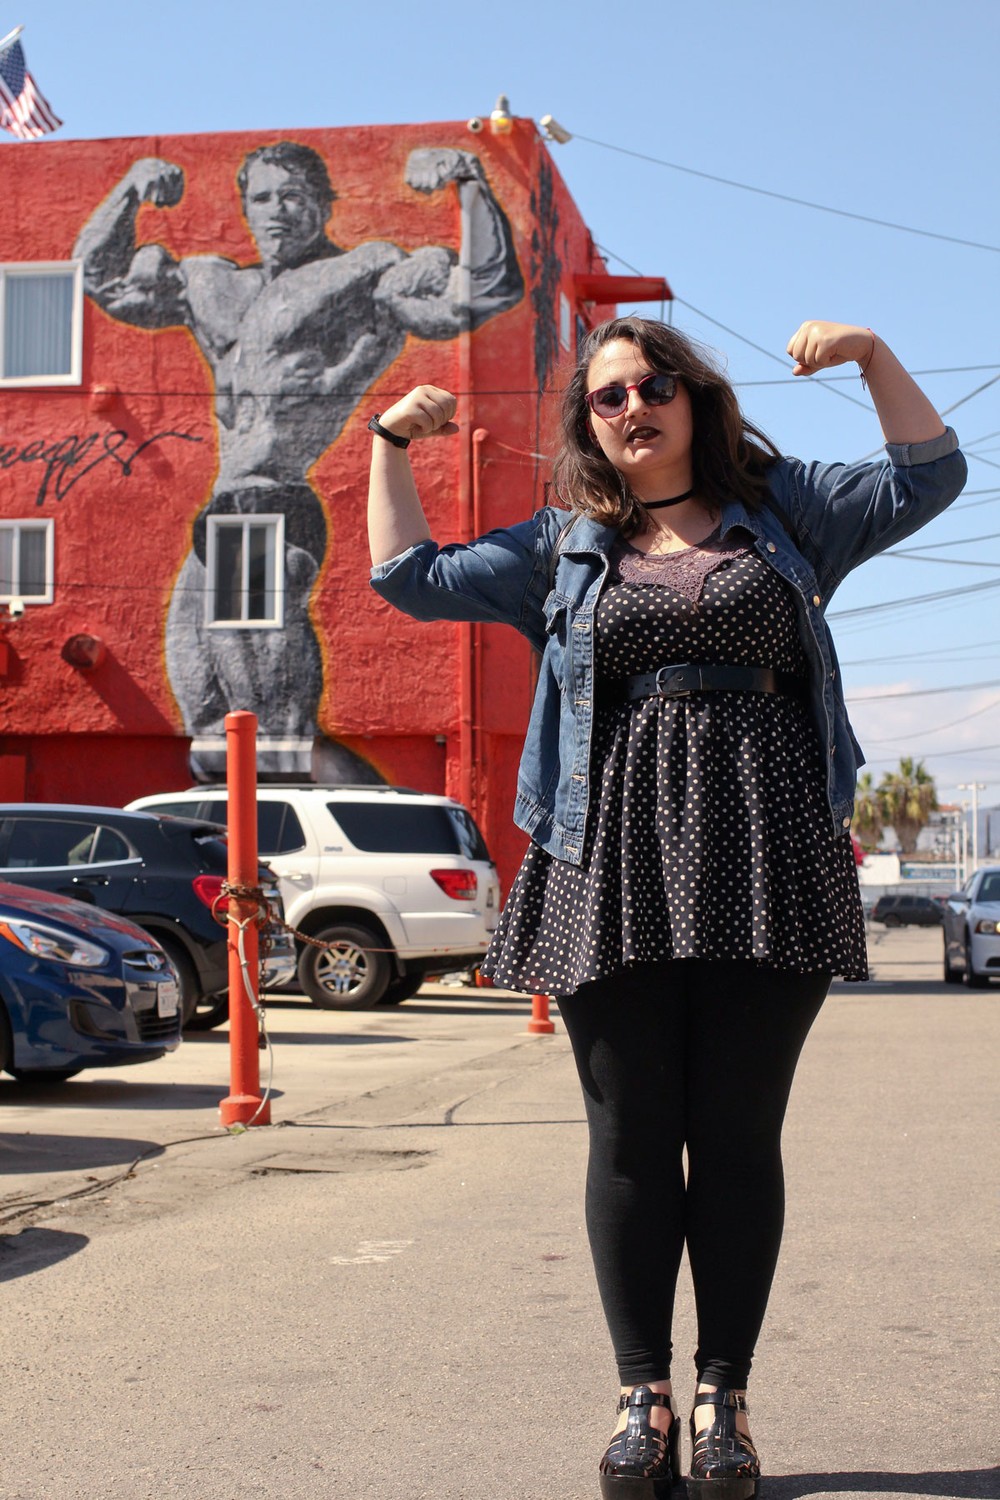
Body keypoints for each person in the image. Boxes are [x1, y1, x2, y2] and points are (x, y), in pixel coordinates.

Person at [365, 317, 967, 1499]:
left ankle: (724, 1400)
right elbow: (409, 579)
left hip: (767, 850)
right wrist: (390, 442)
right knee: (631, 1138)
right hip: (608, 856)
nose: (631, 407)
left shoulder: (785, 510)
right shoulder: (564, 545)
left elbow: (928, 476)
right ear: (588, 423)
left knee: (738, 1138)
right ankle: (641, 1398)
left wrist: (870, 354)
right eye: (605, 398)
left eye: (652, 385)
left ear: (694, 395)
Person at [73, 141, 522, 779]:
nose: (277, 210)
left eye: (294, 197)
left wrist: (470, 181)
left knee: (268, 719)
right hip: (226, 507)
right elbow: (102, 279)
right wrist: (129, 192)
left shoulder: (365, 274)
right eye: (262, 197)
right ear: (246, 209)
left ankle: (298, 837)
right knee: (200, 704)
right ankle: (236, 847)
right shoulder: (212, 284)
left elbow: (481, 290)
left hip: (274, 502)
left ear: (322, 205)